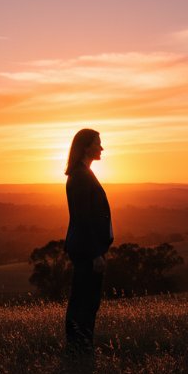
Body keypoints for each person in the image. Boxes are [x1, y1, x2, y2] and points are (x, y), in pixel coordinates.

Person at [63, 128, 113, 355]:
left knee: (86, 301)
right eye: (97, 143)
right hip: (87, 249)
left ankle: (81, 347)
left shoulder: (83, 173)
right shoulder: (81, 177)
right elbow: (83, 219)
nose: (101, 148)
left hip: (87, 248)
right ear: (85, 147)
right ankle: (79, 349)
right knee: (85, 301)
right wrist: (95, 253)